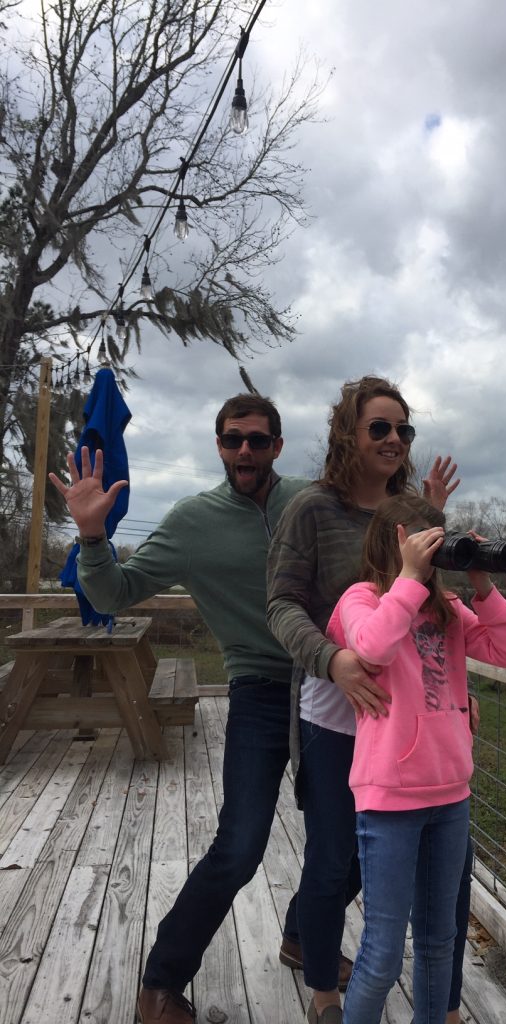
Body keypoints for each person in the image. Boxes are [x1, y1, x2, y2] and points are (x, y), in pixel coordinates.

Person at [48, 393, 323, 1024]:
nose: (244, 451)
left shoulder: (313, 501)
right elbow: (115, 591)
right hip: (256, 689)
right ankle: (160, 983)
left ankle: (304, 937)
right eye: (232, 440)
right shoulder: (192, 521)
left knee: (349, 832)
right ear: (219, 446)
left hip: (328, 684)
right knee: (242, 843)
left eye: (257, 440)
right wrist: (92, 536)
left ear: (278, 446)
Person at [267, 376, 468, 1024]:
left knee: (408, 875)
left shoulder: (409, 507)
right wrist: (332, 659)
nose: (394, 439)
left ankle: (437, 1003)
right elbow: (282, 604)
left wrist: (433, 517)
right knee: (333, 859)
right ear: (347, 435)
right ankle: (326, 988)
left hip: (409, 721)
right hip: (336, 711)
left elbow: (433, 606)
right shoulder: (311, 509)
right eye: (379, 427)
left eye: (403, 430)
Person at [327, 493, 506, 1024]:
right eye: (426, 543)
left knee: (441, 942)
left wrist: (483, 584)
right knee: (384, 949)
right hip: (389, 797)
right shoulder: (361, 599)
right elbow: (369, 649)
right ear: (397, 543)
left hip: (450, 795)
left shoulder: (450, 609)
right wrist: (409, 579)